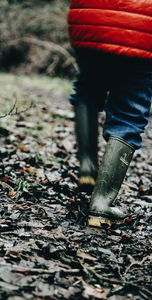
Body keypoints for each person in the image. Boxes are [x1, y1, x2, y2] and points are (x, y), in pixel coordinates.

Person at [68, 0, 152, 227]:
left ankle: (87, 166)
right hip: (142, 26)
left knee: (87, 89)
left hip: (89, 18)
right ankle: (102, 205)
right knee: (129, 112)